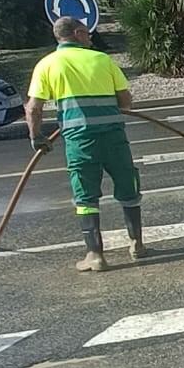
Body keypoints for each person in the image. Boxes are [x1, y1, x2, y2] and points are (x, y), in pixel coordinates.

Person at [24, 17, 147, 272]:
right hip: (114, 139)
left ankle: (95, 256)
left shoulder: (47, 64)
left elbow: (34, 108)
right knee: (128, 187)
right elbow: (125, 100)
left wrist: (37, 138)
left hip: (80, 141)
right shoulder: (101, 60)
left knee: (85, 196)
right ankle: (137, 245)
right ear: (78, 33)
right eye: (88, 34)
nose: (91, 38)